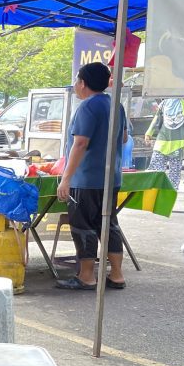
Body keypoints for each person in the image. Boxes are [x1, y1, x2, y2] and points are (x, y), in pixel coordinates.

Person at [56, 62, 129, 291]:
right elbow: (124, 137)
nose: (76, 86)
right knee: (109, 225)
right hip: (111, 178)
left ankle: (86, 276)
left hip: (86, 180)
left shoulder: (88, 107)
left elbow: (80, 143)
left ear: (83, 83)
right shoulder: (116, 105)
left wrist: (66, 178)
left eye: (77, 81)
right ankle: (116, 275)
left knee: (83, 226)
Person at [146, 97, 184, 191]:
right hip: (162, 141)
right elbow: (157, 118)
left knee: (174, 170)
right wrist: (149, 133)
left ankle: (171, 191)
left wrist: (182, 99)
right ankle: (154, 187)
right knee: (155, 166)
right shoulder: (164, 104)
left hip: (177, 143)